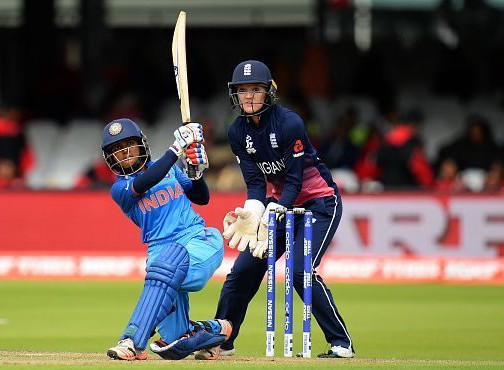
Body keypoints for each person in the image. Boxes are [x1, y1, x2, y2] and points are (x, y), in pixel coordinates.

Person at [196, 60, 354, 359]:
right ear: (235, 95)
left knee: (299, 271)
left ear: (269, 92)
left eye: (256, 89)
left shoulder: (289, 123)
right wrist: (254, 211)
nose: (249, 96)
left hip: (319, 203)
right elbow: (256, 184)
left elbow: (294, 181)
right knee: (243, 270)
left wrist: (274, 211)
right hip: (281, 204)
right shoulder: (236, 133)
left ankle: (341, 343)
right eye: (243, 91)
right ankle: (222, 341)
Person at [101, 118, 232, 361]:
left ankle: (132, 341)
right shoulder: (119, 189)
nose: (125, 152)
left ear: (141, 145)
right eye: (116, 150)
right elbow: (146, 181)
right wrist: (176, 149)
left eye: (129, 144)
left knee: (164, 267)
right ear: (110, 159)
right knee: (175, 340)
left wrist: (195, 172)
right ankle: (214, 330)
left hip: (198, 241)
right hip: (161, 253)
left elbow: (201, 198)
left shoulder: (170, 169)